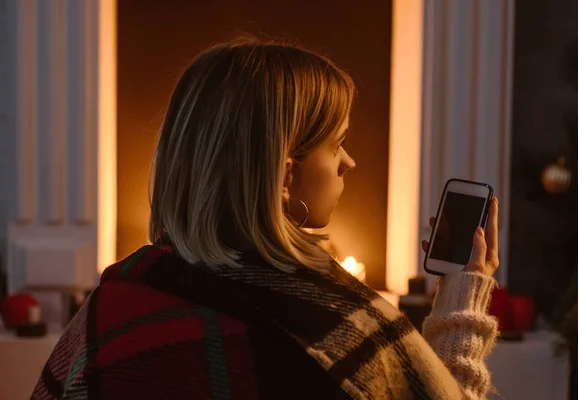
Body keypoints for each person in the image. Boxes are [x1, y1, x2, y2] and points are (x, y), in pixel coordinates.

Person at [33, 37, 500, 400]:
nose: (349, 163)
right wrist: (462, 305)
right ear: (284, 175)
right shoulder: (340, 323)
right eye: (336, 144)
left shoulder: (107, 312)